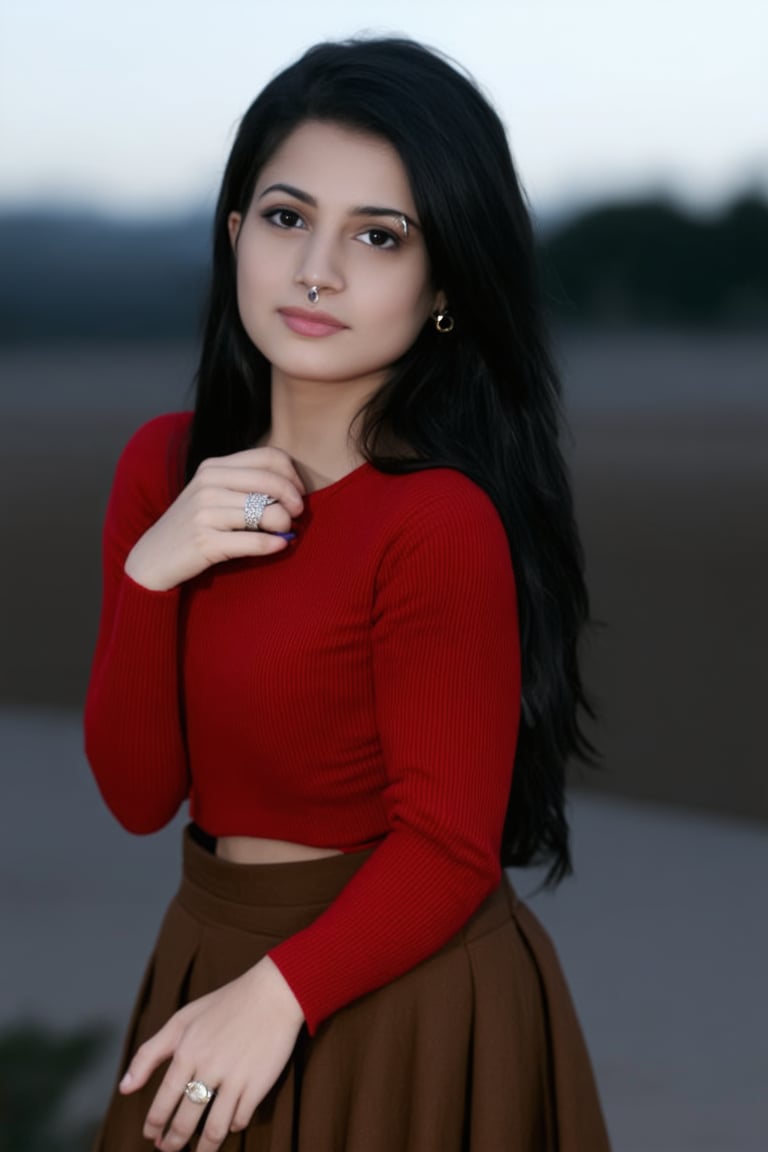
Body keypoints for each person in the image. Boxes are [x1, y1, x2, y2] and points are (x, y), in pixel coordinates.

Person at [85, 36, 611, 1152]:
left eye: (379, 236)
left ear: (444, 288)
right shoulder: (159, 469)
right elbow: (140, 796)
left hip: (401, 994)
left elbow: (449, 848)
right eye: (287, 218)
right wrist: (151, 571)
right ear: (235, 236)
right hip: (208, 952)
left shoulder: (436, 521)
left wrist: (275, 996)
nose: (317, 269)